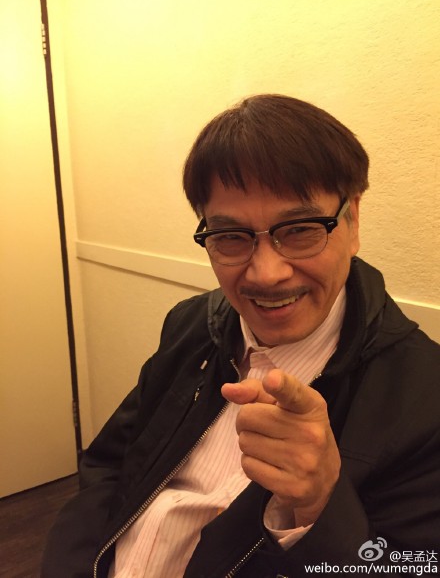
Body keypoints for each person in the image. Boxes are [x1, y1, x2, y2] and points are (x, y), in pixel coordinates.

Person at [42, 94, 440, 578]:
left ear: (353, 220)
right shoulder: (191, 324)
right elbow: (109, 465)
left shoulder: (424, 398)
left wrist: (320, 506)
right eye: (231, 236)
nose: (266, 274)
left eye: (301, 229)